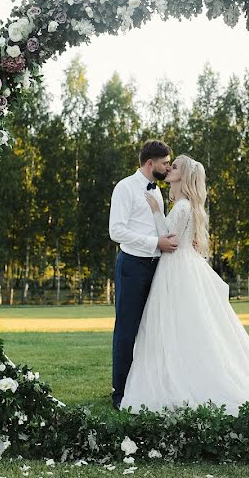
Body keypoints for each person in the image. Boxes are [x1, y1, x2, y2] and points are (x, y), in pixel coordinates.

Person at [119, 154, 249, 415]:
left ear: (184, 176)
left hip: (175, 267)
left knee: (174, 324)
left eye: (174, 168)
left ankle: (179, 379)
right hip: (179, 266)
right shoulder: (184, 205)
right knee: (176, 325)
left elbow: (168, 239)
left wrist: (154, 211)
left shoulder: (183, 206)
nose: (169, 170)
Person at [108, 139, 178, 410]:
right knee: (126, 331)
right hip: (133, 266)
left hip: (157, 267)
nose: (167, 167)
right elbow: (117, 231)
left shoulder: (157, 192)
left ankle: (145, 388)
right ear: (150, 164)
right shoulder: (125, 188)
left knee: (152, 329)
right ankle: (120, 393)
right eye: (164, 163)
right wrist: (154, 243)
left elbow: (159, 227)